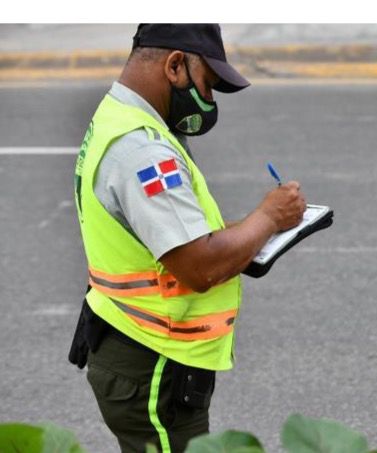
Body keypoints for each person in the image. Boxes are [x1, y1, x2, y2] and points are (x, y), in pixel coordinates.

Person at [68, 24, 306, 453]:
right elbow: (201, 265)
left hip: (135, 348)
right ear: (175, 65)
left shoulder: (119, 117)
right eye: (209, 86)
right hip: (153, 365)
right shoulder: (143, 151)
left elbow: (173, 235)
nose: (209, 102)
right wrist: (269, 217)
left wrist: (256, 224)